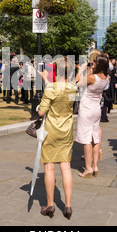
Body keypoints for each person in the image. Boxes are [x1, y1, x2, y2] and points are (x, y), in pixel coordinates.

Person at [37, 56, 78, 220]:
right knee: (66, 167)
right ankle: (68, 205)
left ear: (56, 70)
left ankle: (50, 204)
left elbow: (41, 112)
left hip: (51, 130)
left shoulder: (51, 88)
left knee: (49, 167)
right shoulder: (73, 87)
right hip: (66, 129)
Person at [75, 55, 109, 178]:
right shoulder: (106, 78)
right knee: (95, 138)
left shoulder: (91, 77)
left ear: (98, 64)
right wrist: (90, 70)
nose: (92, 63)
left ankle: (88, 168)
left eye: (94, 62)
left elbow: (77, 83)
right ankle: (95, 165)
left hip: (86, 109)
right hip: (96, 109)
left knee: (86, 140)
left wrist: (81, 69)